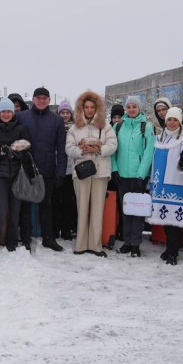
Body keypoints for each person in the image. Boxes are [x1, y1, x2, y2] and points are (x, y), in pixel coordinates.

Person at [65, 90, 117, 256]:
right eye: (86, 107)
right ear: (81, 108)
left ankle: (95, 246)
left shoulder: (105, 126)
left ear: (97, 108)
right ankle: (80, 245)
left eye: (92, 107)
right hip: (81, 171)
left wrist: (99, 148)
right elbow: (69, 148)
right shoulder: (75, 128)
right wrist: (81, 150)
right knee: (82, 208)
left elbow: (113, 145)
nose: (89, 110)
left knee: (97, 209)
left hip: (100, 171)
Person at [16, 87, 67, 251]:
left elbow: (61, 148)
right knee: (25, 205)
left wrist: (60, 171)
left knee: (46, 205)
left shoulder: (56, 120)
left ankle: (48, 238)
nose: (41, 100)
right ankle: (25, 238)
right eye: (38, 97)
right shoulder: (21, 117)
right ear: (33, 99)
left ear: (49, 100)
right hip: (26, 168)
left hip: (47, 168)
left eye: (45, 98)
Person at [0, 98, 32, 255]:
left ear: (13, 113)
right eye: (3, 111)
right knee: (2, 210)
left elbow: (27, 152)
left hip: (17, 174)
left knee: (15, 210)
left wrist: (16, 154)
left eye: (8, 111)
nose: (6, 114)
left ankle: (12, 241)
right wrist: (1, 152)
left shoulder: (21, 129)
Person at [148, 107, 183, 265]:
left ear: (179, 121)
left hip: (176, 183)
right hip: (160, 184)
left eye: (175, 119)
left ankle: (173, 251)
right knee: (166, 220)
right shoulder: (161, 136)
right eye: (169, 119)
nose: (172, 123)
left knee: (175, 221)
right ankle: (169, 247)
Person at [111, 95, 155, 257]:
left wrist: (141, 175)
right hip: (122, 175)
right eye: (128, 107)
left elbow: (148, 152)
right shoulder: (118, 126)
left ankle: (136, 243)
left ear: (139, 108)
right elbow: (113, 151)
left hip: (138, 176)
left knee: (137, 210)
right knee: (125, 210)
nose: (131, 109)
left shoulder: (146, 127)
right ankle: (127, 242)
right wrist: (114, 169)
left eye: (134, 107)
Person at [53, 101, 77, 241]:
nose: (65, 115)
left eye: (67, 113)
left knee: (68, 202)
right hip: (57, 167)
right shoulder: (55, 126)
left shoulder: (75, 128)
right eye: (62, 113)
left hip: (71, 169)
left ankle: (67, 229)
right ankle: (55, 228)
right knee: (56, 200)